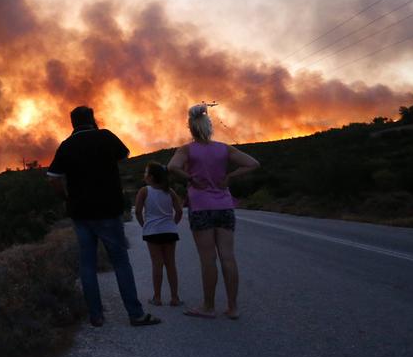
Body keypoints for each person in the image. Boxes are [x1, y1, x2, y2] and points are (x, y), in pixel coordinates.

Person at [47, 106, 159, 327]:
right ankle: (135, 314)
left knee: (87, 264)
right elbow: (124, 155)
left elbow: (52, 178)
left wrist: (66, 198)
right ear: (93, 120)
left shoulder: (67, 146)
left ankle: (96, 316)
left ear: (72, 124)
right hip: (108, 210)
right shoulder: (105, 136)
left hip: (80, 213)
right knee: (120, 262)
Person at [168, 103, 259, 320]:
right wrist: (229, 177)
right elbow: (253, 163)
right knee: (228, 257)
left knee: (208, 259)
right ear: (210, 127)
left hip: (201, 207)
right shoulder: (224, 149)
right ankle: (233, 307)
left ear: (191, 128)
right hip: (225, 205)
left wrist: (190, 178)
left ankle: (208, 307)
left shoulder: (187, 150)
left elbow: (172, 167)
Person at [134, 162, 183, 307]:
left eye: (145, 173)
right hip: (169, 231)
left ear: (150, 176)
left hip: (153, 232)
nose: (144, 175)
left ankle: (157, 298)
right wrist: (173, 224)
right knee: (171, 264)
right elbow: (179, 211)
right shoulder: (170, 191)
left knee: (157, 264)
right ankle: (175, 298)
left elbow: (137, 211)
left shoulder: (144, 191)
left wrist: (144, 225)